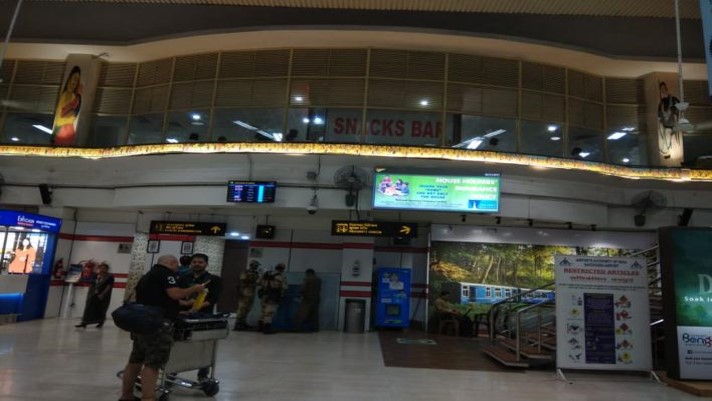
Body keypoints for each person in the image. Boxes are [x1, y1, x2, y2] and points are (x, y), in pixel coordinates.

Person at [119, 255, 207, 401]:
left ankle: (126, 396)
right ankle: (148, 398)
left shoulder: (146, 276)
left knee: (135, 360)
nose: (177, 268)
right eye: (176, 265)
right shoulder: (166, 274)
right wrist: (194, 289)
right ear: (172, 263)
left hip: (142, 322)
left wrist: (180, 307)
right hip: (158, 325)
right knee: (153, 364)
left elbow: (157, 298)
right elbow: (175, 294)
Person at [177, 253, 221, 382]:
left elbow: (213, 299)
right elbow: (177, 293)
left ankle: (203, 374)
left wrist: (196, 307)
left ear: (206, 264)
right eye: (194, 262)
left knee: (204, 345)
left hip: (203, 316)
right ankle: (172, 371)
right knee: (178, 344)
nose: (197, 264)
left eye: (200, 262)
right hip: (183, 315)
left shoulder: (214, 279)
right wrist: (183, 305)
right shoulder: (183, 277)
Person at [75, 262, 114, 328]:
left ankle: (100, 322)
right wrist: (81, 279)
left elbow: (108, 286)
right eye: (101, 268)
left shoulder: (109, 277)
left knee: (101, 309)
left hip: (103, 296)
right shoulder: (96, 275)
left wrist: (102, 294)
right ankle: (84, 323)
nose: (102, 269)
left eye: (104, 268)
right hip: (93, 294)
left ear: (107, 269)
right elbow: (91, 281)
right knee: (88, 307)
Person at [51, 66, 82, 146]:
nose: (74, 82)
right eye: (73, 78)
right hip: (62, 127)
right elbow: (65, 113)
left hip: (67, 128)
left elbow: (73, 113)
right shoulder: (66, 95)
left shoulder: (74, 96)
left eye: (76, 80)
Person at [258, 263, 288, 335]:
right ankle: (267, 329)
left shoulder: (266, 274)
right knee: (269, 312)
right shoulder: (281, 277)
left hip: (264, 295)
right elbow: (285, 287)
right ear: (282, 269)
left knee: (263, 311)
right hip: (273, 296)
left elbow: (258, 282)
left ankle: (260, 327)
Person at [234, 259, 261, 331]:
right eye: (256, 265)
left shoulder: (255, 273)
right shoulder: (246, 272)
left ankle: (243, 323)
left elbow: (257, 282)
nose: (257, 267)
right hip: (245, 291)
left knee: (248, 308)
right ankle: (238, 324)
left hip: (251, 292)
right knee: (242, 308)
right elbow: (243, 280)